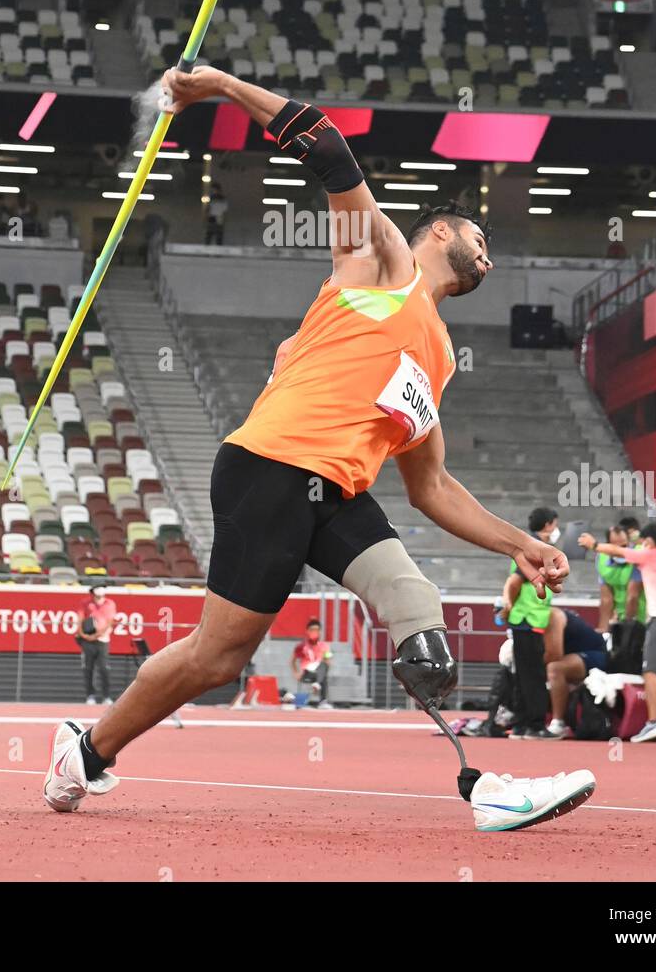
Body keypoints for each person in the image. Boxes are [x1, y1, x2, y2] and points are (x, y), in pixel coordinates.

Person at [44, 64, 591, 833]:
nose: (488, 257)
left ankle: (482, 785)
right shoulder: (377, 263)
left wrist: (520, 546)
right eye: (480, 237)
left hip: (334, 492)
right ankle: (87, 750)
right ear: (439, 231)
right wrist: (225, 87)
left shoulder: (435, 358)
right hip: (270, 467)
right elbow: (328, 151)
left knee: (417, 612)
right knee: (217, 659)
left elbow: (432, 488)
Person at [581, 521, 656, 743]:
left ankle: (654, 722)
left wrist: (594, 545)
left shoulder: (649, 555)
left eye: (643, 542)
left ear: (649, 542)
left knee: (652, 672)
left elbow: (617, 551)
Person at [501, 507, 560, 739]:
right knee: (534, 674)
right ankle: (534, 725)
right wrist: (508, 605)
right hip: (528, 619)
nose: (555, 530)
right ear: (547, 525)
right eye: (554, 525)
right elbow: (514, 582)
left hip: (525, 620)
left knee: (524, 674)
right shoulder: (535, 550)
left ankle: (521, 724)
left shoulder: (529, 547)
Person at [544, 607, 610, 738]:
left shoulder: (553, 616)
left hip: (596, 654)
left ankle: (558, 723)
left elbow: (555, 655)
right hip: (572, 655)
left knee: (555, 668)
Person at [594, 522, 648, 632]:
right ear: (608, 546)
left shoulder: (640, 555)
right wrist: (604, 628)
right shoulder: (601, 558)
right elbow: (606, 599)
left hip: (640, 618)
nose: (620, 551)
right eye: (615, 546)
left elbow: (633, 597)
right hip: (617, 619)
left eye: (624, 546)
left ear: (629, 542)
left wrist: (627, 629)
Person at [77, 585, 117, 705]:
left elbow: (110, 622)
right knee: (88, 668)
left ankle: (106, 696)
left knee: (104, 668)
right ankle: (90, 695)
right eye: (97, 587)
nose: (100, 590)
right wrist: (83, 634)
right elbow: (80, 619)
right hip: (87, 641)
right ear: (93, 591)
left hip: (103, 640)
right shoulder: (85, 603)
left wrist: (98, 635)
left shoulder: (110, 604)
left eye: (102, 587)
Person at [291, 618, 333, 708]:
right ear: (307, 631)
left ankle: (318, 686)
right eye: (312, 630)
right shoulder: (301, 646)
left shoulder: (325, 646)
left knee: (323, 666)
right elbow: (292, 661)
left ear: (320, 632)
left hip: (319, 671)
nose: (315, 632)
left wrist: (325, 659)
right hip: (306, 673)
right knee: (323, 676)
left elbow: (328, 662)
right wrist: (296, 673)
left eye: (317, 630)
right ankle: (322, 698)